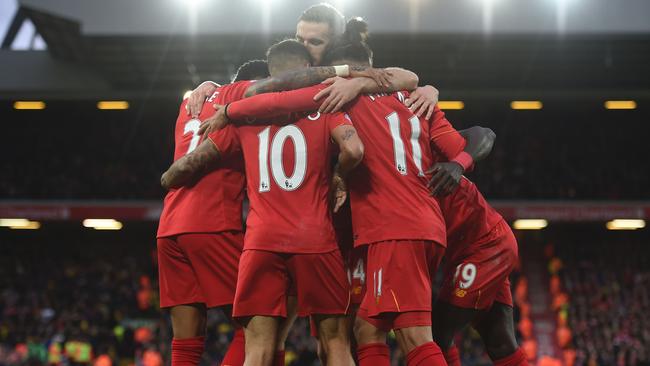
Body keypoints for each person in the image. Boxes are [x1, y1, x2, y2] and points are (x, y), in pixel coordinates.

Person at [201, 30, 451, 365]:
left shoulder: (254, 105)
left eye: (315, 40)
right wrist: (339, 176)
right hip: (325, 238)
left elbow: (234, 104)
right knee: (344, 340)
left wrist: (221, 102)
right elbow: (357, 145)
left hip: (266, 239)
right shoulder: (333, 97)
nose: (308, 45)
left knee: (258, 343)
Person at [161, 39, 364, 366]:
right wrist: (339, 176)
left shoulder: (234, 114)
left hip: (247, 239)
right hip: (308, 237)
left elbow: (191, 161)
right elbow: (353, 151)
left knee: (248, 344)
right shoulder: (323, 105)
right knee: (335, 341)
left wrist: (168, 177)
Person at [186, 3, 439, 121]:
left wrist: (358, 85)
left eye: (314, 42)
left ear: (336, 43)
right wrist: (211, 86)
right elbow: (235, 92)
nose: (302, 46)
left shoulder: (346, 73)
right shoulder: (273, 71)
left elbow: (406, 78)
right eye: (299, 38)